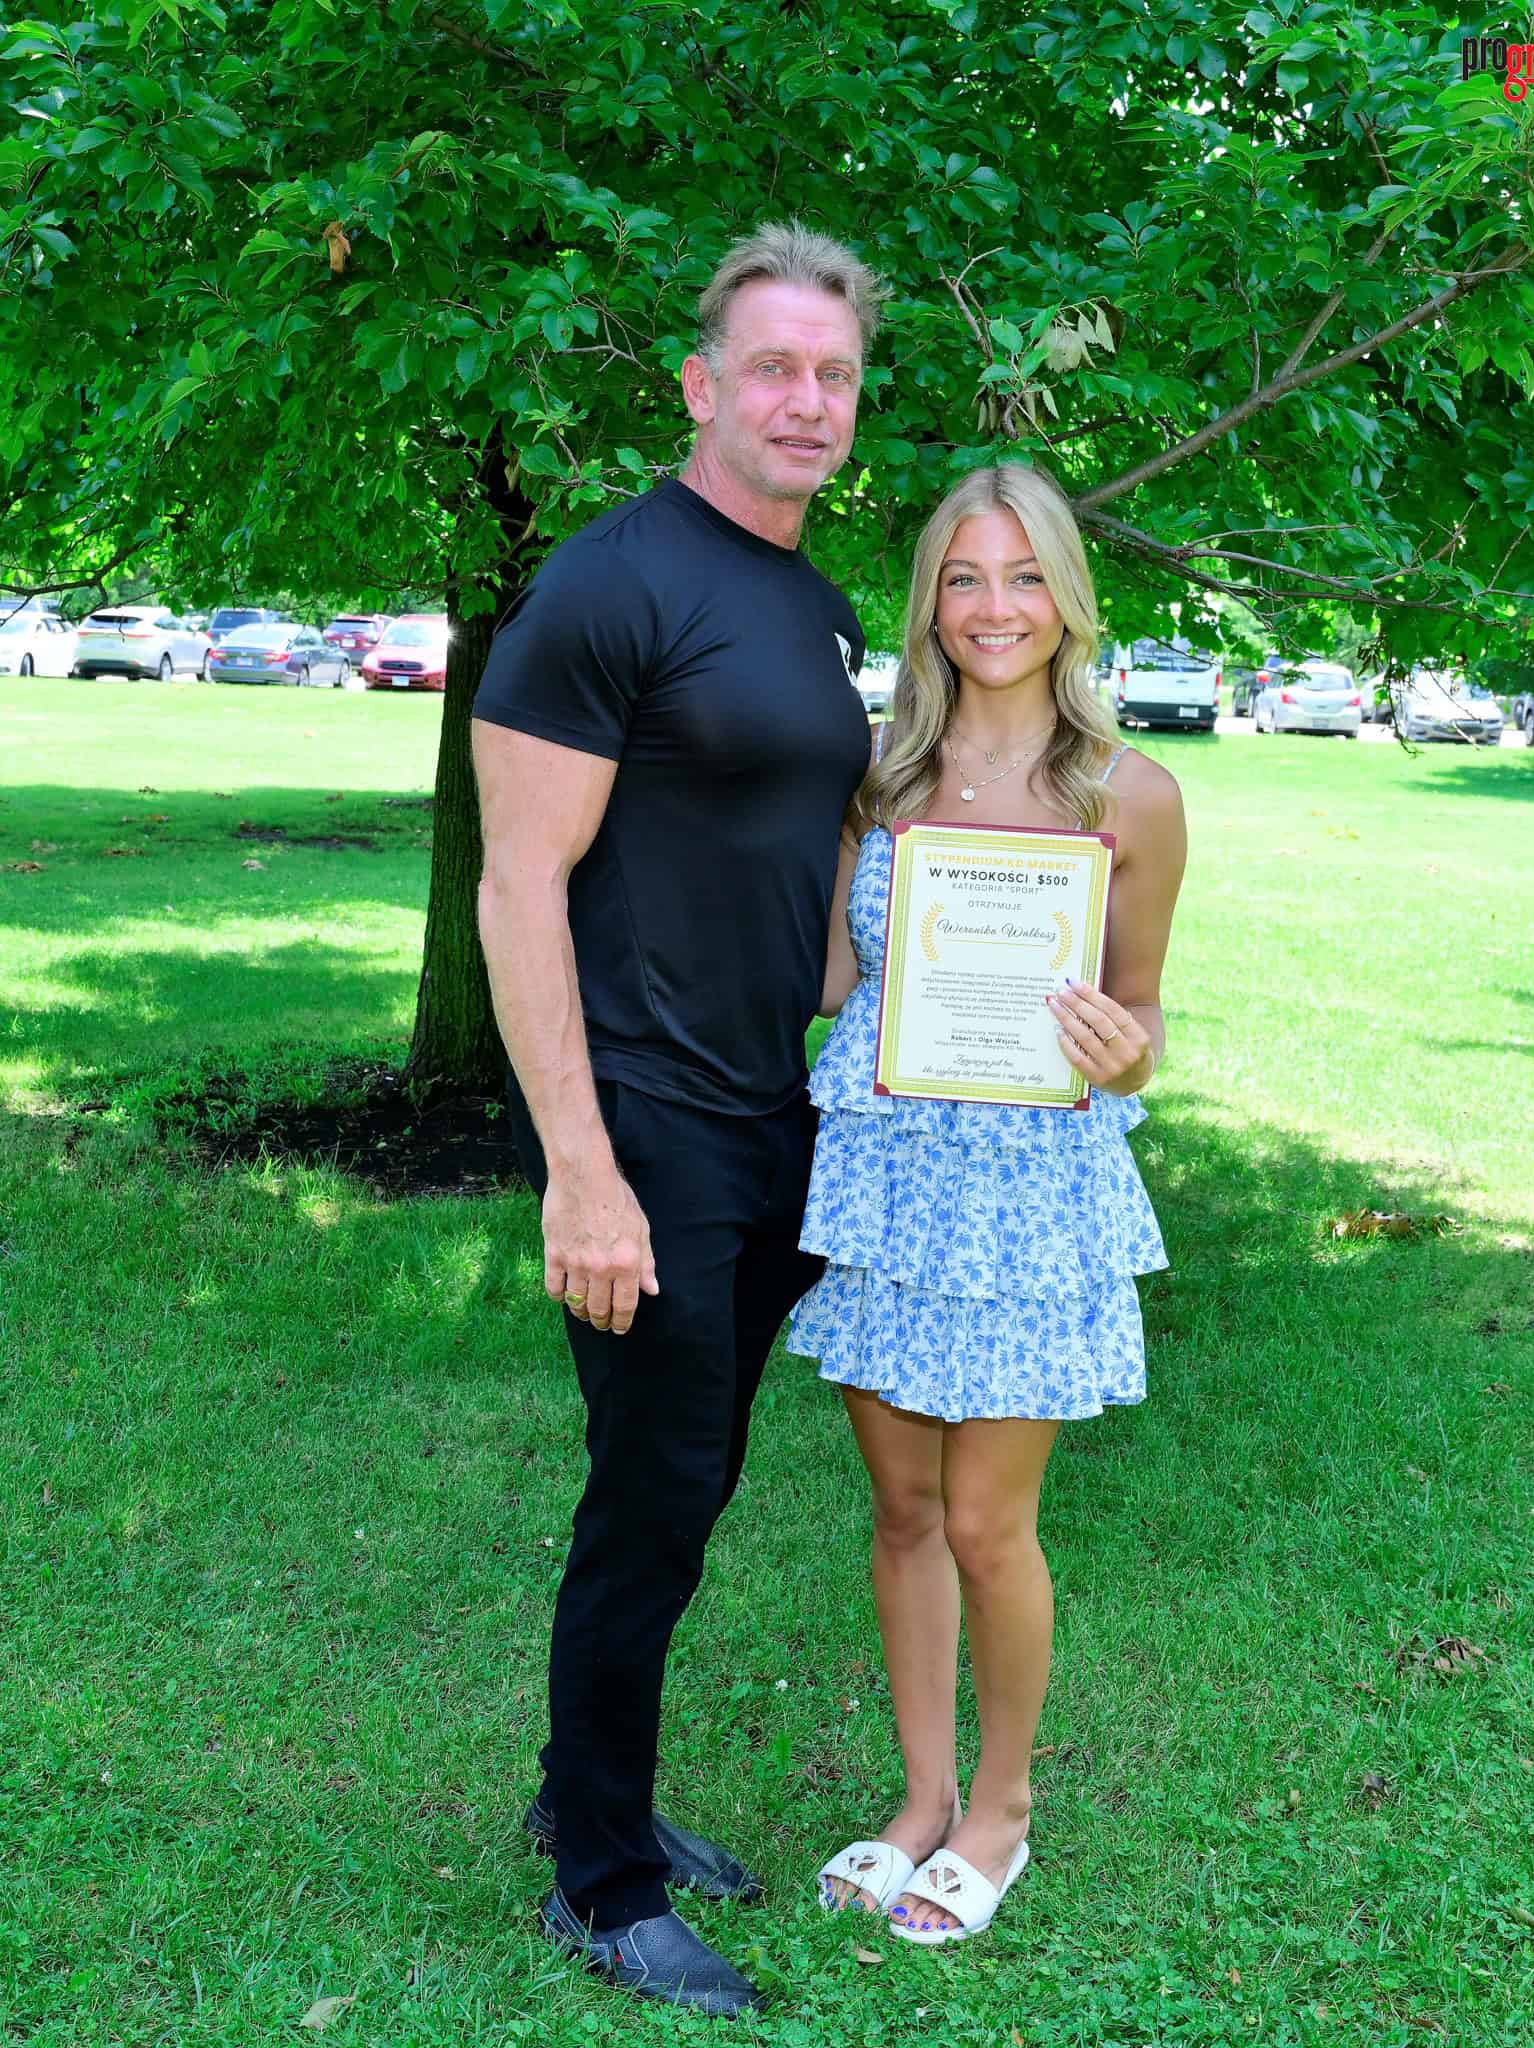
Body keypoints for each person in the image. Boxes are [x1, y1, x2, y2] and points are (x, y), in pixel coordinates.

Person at [470, 223, 885, 2018]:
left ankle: (592, 1790)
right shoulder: (608, 584)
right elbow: (516, 886)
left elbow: (802, 865)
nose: (807, 400)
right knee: (651, 1487)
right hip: (642, 1117)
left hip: (771, 1103)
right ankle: (601, 1883)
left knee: (689, 1469)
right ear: (701, 386)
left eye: (835, 374)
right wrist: (581, 1170)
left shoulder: (811, 599)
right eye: (773, 368)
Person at [795, 462, 1187, 1945]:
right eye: (965, 577)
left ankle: (1000, 1810)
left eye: (1024, 576)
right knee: (901, 1509)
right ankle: (919, 1799)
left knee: (982, 1521)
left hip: (1031, 1200)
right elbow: (832, 976)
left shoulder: (1129, 794)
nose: (994, 607)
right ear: (929, 602)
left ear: (1068, 599)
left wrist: (1125, 1048)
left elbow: (1142, 1004)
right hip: (892, 1180)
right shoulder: (875, 776)